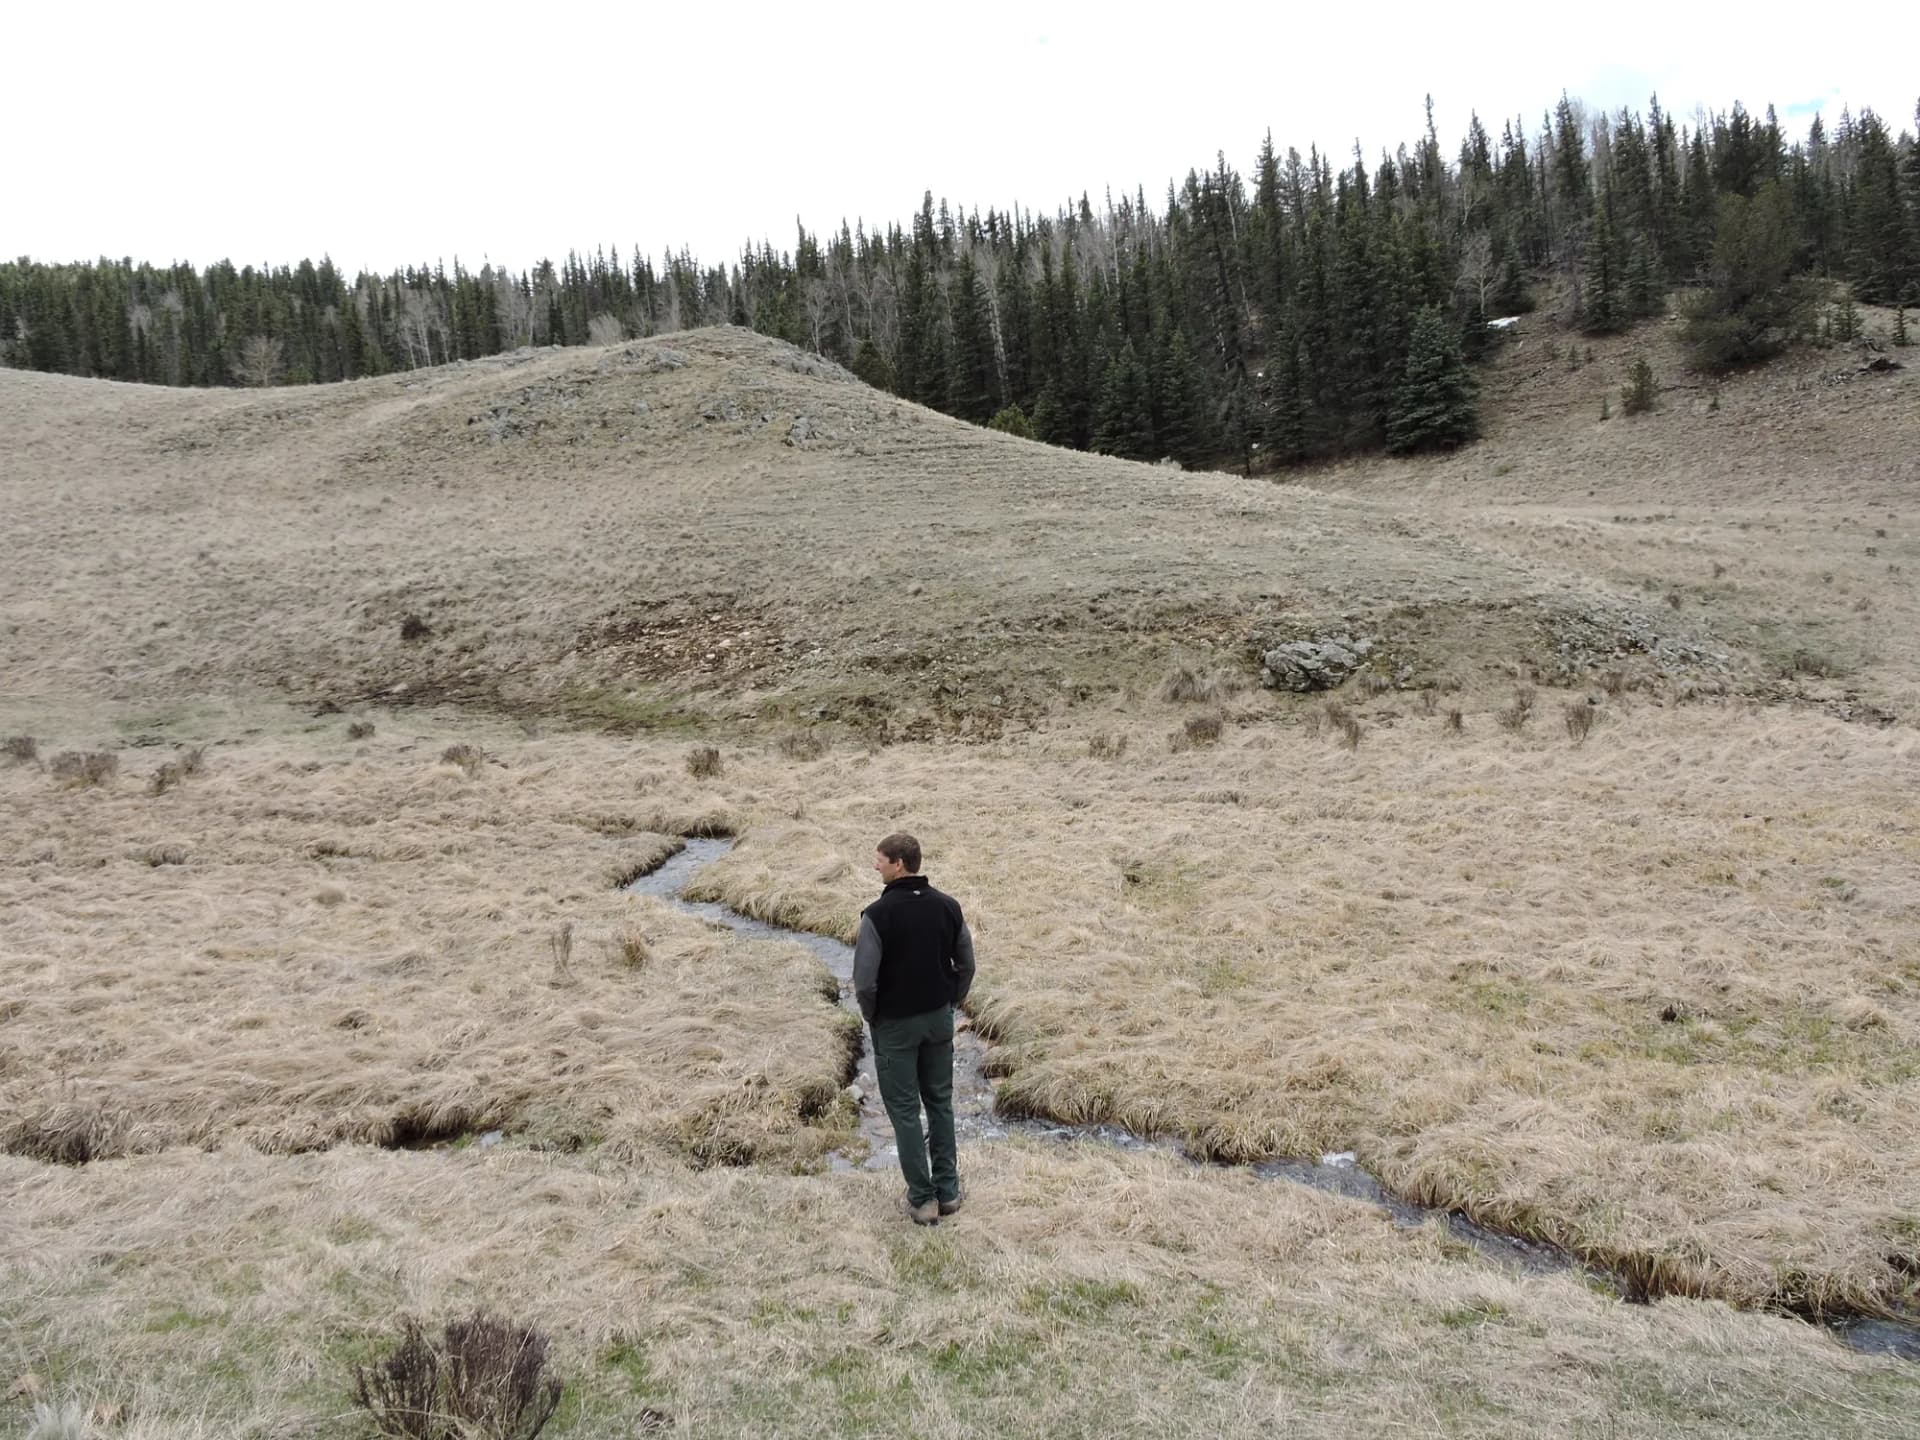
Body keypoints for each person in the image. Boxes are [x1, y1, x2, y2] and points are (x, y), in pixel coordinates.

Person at [852, 831, 975, 1225]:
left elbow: (864, 982)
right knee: (940, 1104)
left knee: (905, 1112)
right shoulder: (948, 906)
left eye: (880, 859)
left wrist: (874, 1015)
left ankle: (923, 1201)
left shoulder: (876, 916)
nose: (876, 865)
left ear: (899, 864)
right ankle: (950, 1194)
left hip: (895, 1026)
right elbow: (967, 964)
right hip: (939, 1020)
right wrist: (950, 999)